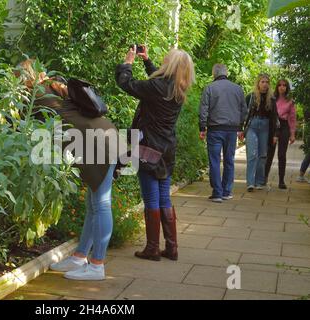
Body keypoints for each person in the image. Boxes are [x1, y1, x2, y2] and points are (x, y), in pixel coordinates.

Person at [16, 59, 117, 281]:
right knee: (94, 203)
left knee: (101, 204)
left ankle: (97, 266)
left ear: (23, 80)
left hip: (95, 142)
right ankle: (80, 257)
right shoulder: (52, 84)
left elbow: (18, 123)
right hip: (102, 135)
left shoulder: (37, 94)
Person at [115, 46, 195, 261]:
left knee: (151, 199)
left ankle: (152, 248)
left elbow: (127, 84)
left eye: (165, 60)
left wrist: (128, 63)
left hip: (148, 148)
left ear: (170, 66)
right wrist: (146, 61)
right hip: (166, 149)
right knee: (164, 198)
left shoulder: (158, 87)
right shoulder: (178, 88)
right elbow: (158, 82)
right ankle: (171, 247)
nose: (162, 61)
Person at [199, 64, 247, 203]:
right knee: (229, 160)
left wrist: (202, 127)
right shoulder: (237, 89)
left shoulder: (209, 88)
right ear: (227, 73)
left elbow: (203, 109)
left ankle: (217, 193)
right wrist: (240, 126)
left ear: (214, 74)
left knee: (214, 161)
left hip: (215, 129)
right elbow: (244, 110)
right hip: (232, 130)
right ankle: (227, 191)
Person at [243, 74, 279, 192]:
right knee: (252, 154)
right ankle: (250, 182)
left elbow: (275, 118)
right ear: (258, 83)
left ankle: (259, 182)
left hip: (265, 127)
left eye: (267, 82)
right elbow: (243, 114)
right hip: (252, 126)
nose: (265, 84)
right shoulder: (251, 97)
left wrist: (275, 134)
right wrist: (240, 129)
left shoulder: (272, 99)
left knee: (263, 155)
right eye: (262, 82)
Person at [264, 79, 296, 189]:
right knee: (269, 154)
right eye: (280, 85)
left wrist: (292, 134)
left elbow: (292, 119)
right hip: (273, 126)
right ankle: (264, 177)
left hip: (284, 127)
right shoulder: (272, 98)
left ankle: (281, 180)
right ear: (277, 87)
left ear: (287, 88)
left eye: (284, 85)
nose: (282, 87)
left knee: (282, 155)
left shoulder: (290, 101)